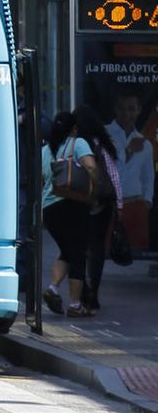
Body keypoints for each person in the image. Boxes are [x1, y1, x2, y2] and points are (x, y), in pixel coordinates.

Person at [42, 108, 98, 315]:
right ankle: (75, 304)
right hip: (72, 205)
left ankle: (52, 288)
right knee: (78, 254)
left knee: (67, 251)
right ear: (73, 128)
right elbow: (91, 167)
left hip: (50, 210)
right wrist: (95, 188)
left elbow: (41, 181)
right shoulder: (78, 143)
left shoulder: (46, 150)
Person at [78, 105, 123, 312]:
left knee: (78, 249)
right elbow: (113, 175)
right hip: (103, 203)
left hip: (78, 202)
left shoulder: (75, 145)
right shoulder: (101, 144)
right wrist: (119, 205)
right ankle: (93, 292)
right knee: (97, 250)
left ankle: (82, 291)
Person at [109, 87, 156, 256]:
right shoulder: (105, 133)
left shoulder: (146, 144)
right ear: (115, 109)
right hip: (112, 203)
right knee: (111, 250)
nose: (126, 114)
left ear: (138, 110)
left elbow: (147, 176)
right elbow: (109, 166)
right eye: (122, 108)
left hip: (136, 204)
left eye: (131, 108)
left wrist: (147, 202)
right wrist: (128, 151)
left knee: (136, 252)